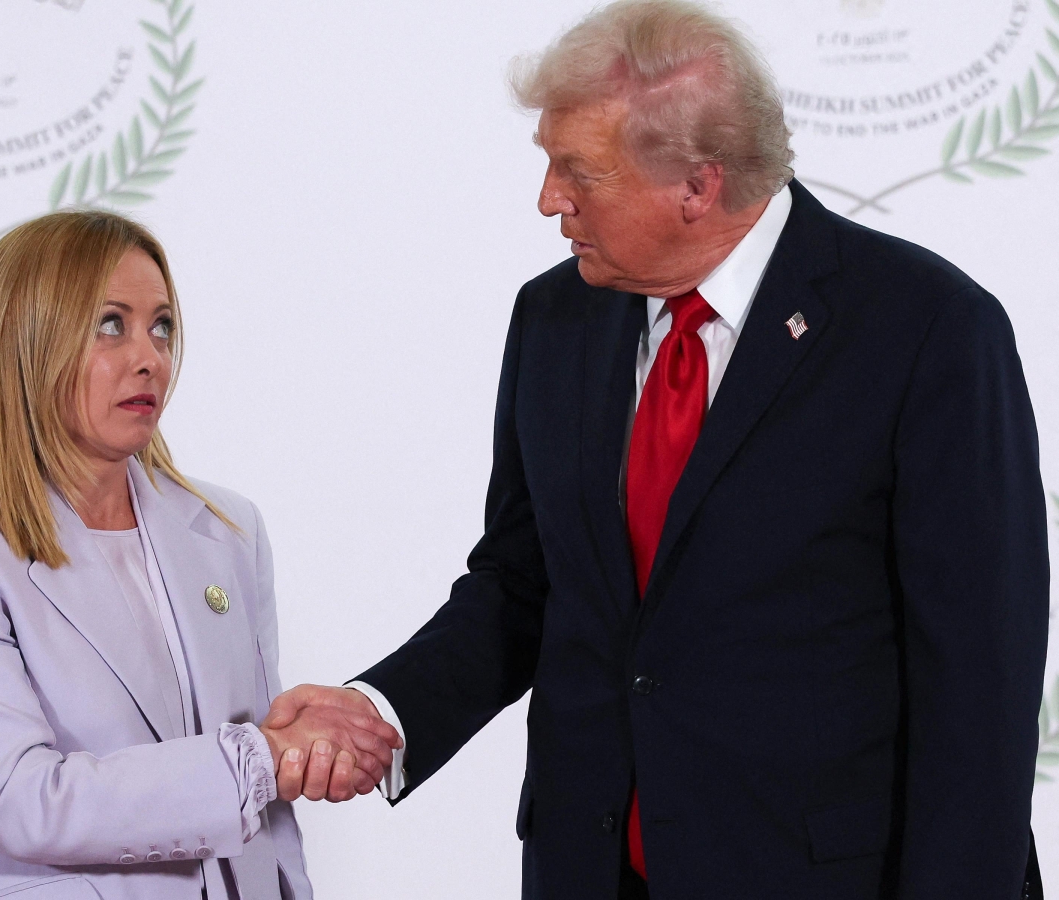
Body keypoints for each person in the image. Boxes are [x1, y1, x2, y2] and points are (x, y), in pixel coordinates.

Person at [266, 1, 1050, 897]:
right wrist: (382, 711)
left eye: (579, 171)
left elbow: (980, 684)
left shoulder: (927, 330)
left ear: (697, 185)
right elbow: (524, 583)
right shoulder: (554, 317)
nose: (549, 199)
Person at [0, 211, 400, 900]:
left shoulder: (229, 530)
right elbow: (20, 799)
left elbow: (268, 823)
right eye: (110, 324)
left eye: (162, 326)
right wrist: (256, 760)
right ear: (28, 342)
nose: (150, 356)